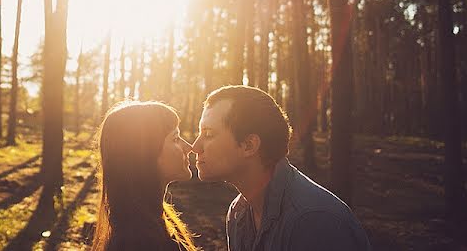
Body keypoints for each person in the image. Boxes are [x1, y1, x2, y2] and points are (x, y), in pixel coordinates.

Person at [192, 86, 370, 250]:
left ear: (249, 145)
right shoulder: (239, 212)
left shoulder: (314, 221)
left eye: (208, 134)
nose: (195, 146)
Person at [91, 100, 199, 251]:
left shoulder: (148, 223)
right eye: (175, 139)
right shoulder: (142, 241)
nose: (189, 147)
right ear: (145, 155)